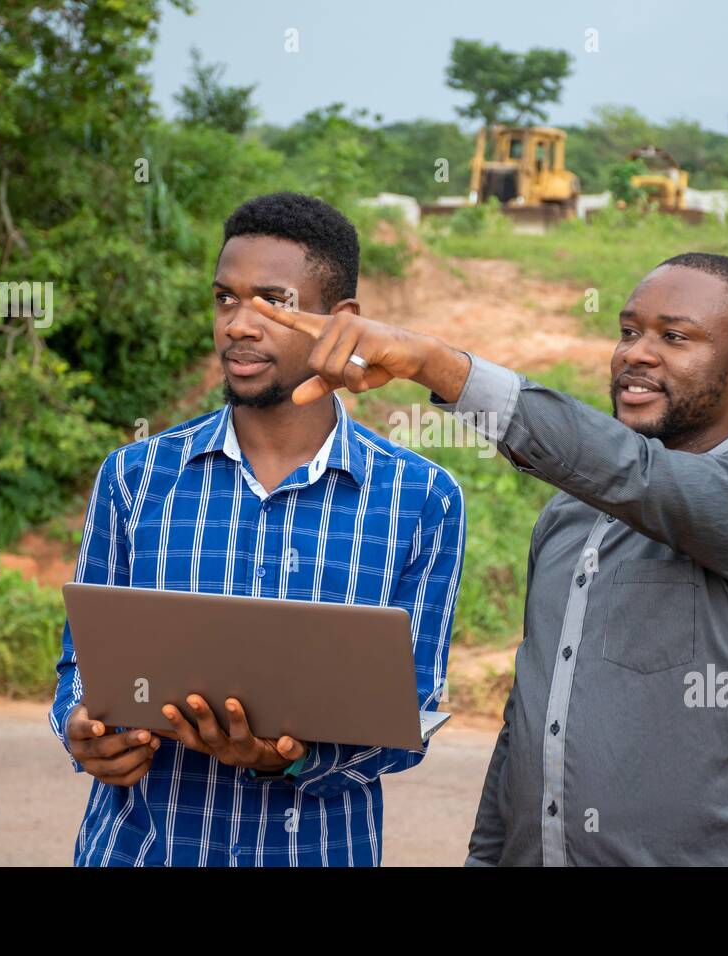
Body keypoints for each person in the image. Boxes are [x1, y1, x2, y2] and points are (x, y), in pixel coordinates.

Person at [253, 251, 728, 866]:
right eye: (629, 331)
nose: (636, 352)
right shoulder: (568, 517)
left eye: (675, 337)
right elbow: (529, 721)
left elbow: (640, 476)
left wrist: (437, 366)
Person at [48, 193, 465, 867]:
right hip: (140, 851)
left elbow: (406, 717)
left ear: (341, 322)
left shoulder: (421, 500)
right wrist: (80, 729)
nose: (239, 325)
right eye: (224, 299)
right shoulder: (134, 477)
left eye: (272, 301)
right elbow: (81, 662)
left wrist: (286, 761)